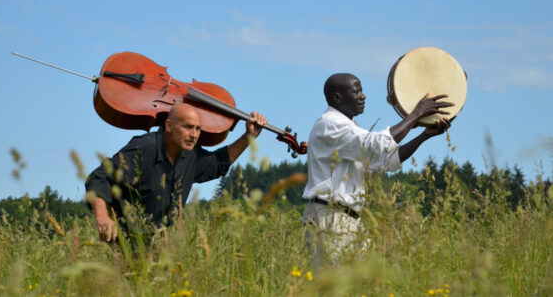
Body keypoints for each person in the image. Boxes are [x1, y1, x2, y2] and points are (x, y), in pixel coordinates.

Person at [301, 73, 454, 268]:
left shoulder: (349, 127)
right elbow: (377, 144)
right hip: (331, 217)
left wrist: (424, 135)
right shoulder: (330, 123)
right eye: (357, 91)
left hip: (346, 219)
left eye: (362, 91)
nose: (363, 96)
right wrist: (415, 115)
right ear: (337, 98)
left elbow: (385, 161)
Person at [85, 103, 267, 242]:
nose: (194, 135)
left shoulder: (191, 156)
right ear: (169, 125)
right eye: (188, 127)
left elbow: (218, 163)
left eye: (197, 129)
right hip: (122, 242)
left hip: (158, 244)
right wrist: (102, 217)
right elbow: (99, 177)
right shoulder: (144, 148)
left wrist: (248, 137)